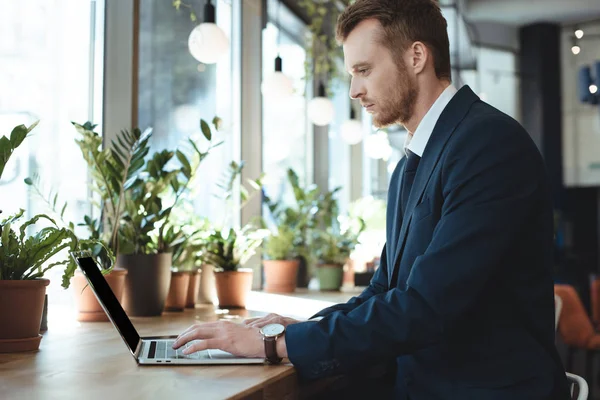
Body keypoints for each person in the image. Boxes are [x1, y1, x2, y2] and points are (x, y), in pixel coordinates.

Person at [173, 0, 570, 398]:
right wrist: (295, 330)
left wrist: (273, 345)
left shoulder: (488, 145)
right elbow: (384, 290)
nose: (354, 90)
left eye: (364, 70)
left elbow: (426, 308)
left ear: (416, 56)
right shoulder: (412, 165)